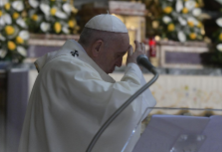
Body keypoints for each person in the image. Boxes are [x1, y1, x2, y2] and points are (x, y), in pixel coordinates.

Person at [18, 14, 156, 152]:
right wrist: (133, 68)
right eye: (118, 55)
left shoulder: (75, 67)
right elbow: (125, 108)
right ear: (97, 47)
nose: (120, 64)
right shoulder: (63, 68)